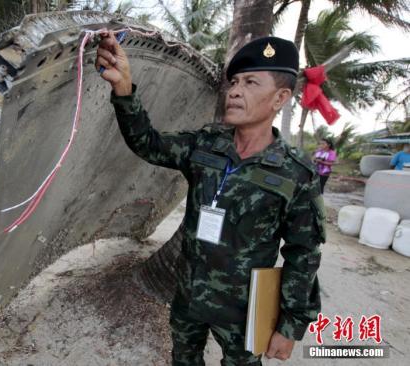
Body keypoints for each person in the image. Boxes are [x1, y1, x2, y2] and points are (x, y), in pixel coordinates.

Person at [96, 34, 325, 365]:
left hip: (245, 311)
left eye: (250, 82)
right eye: (234, 81)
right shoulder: (206, 144)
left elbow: (303, 255)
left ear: (280, 98)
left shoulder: (297, 174)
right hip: (189, 294)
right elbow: (148, 143)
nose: (234, 91)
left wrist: (290, 326)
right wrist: (123, 87)